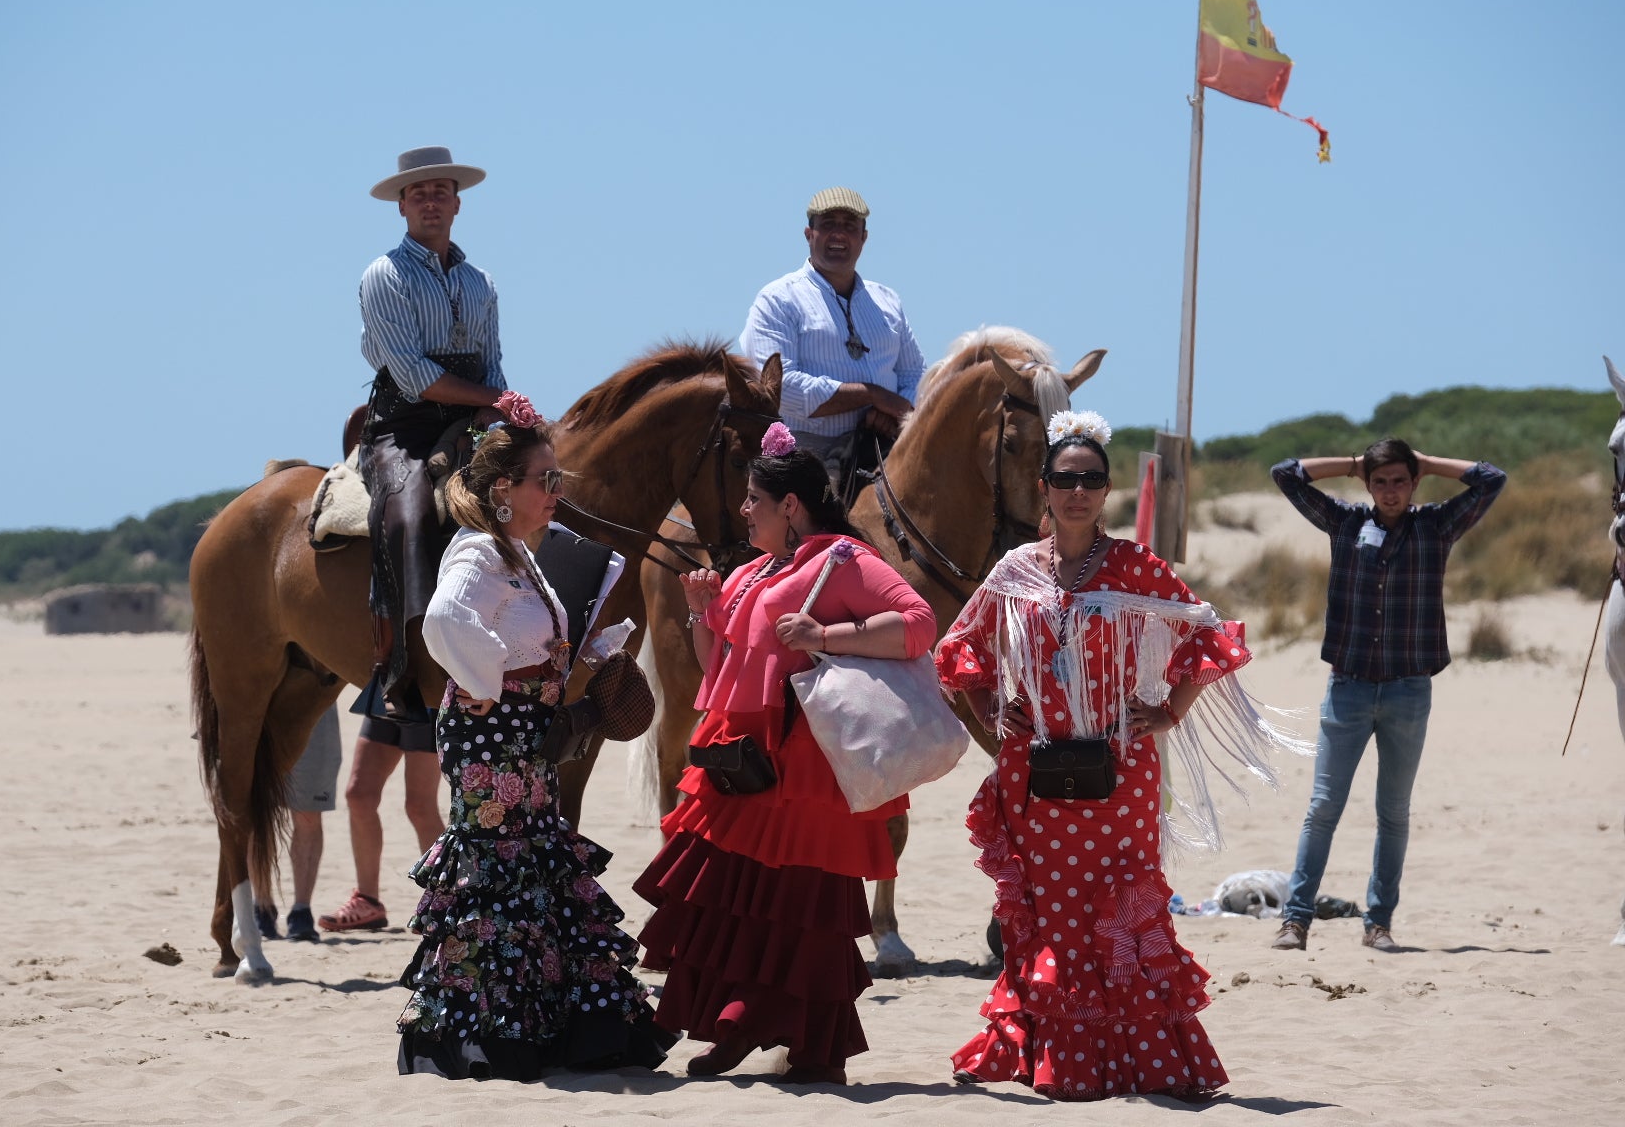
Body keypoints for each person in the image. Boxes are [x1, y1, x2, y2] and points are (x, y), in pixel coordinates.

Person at [934, 409, 1300, 1100]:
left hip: (1120, 777)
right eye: (1066, 479)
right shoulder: (1015, 570)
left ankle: (1136, 1060)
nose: (1079, 492)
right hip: (1036, 773)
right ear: (1043, 486)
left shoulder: (1136, 567)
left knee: (1117, 905)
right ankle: (1047, 1054)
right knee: (1048, 909)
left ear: (1107, 491)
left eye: (1092, 481)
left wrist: (1169, 709)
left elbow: (1209, 635)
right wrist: (992, 709)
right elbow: (962, 649)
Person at [634, 421, 937, 1086]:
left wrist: (827, 631)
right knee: (723, 897)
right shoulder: (752, 572)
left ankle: (779, 1039)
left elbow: (918, 624)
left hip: (803, 772)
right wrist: (698, 612)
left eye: (753, 501)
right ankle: (734, 1025)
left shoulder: (845, 561)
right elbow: (722, 672)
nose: (742, 511)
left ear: (791, 507)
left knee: (800, 913)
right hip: (740, 762)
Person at [395, 414, 674, 1080]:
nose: (556, 489)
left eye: (558, 476)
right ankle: (487, 1036)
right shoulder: (477, 551)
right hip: (490, 739)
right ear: (501, 488)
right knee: (497, 874)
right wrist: (486, 678)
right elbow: (442, 620)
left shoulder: (523, 554)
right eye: (544, 478)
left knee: (534, 869)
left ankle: (551, 1026)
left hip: (529, 738)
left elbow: (539, 639)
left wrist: (589, 658)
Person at [1269, 438, 1506, 953]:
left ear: (1414, 482)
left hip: (1408, 691)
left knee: (1393, 812)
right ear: (1367, 484)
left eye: (1400, 480)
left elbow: (1492, 479)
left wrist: (1427, 462)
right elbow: (1286, 473)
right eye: (1381, 482)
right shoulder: (1346, 522)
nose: (1391, 491)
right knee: (1324, 806)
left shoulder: (1437, 525)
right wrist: (1353, 464)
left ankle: (1378, 923)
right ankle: (1296, 919)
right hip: (1348, 688)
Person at [359, 144, 532, 721]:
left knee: (536, 495)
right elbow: (413, 375)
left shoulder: (481, 282)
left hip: (472, 419)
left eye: (440, 192)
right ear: (401, 207)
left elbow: (494, 364)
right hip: (401, 426)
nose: (430, 201)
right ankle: (401, 670)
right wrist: (492, 399)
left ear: (457, 204)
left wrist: (498, 411)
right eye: (418, 193)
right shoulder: (385, 275)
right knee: (409, 519)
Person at [738, 188, 926, 500]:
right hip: (806, 458)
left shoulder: (887, 301)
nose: (839, 233)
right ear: (809, 234)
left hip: (887, 450)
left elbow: (916, 374)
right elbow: (779, 390)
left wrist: (896, 413)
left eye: (849, 226)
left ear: (863, 238)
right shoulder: (778, 299)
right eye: (828, 224)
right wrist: (871, 395)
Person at [315, 713, 446, 934]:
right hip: (387, 689)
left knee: (419, 806)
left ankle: (446, 901)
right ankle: (367, 900)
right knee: (359, 796)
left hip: (427, 691)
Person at [252, 703, 342, 943]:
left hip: (314, 700)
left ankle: (302, 909)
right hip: (254, 701)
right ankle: (261, 905)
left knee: (309, 814)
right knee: (257, 812)